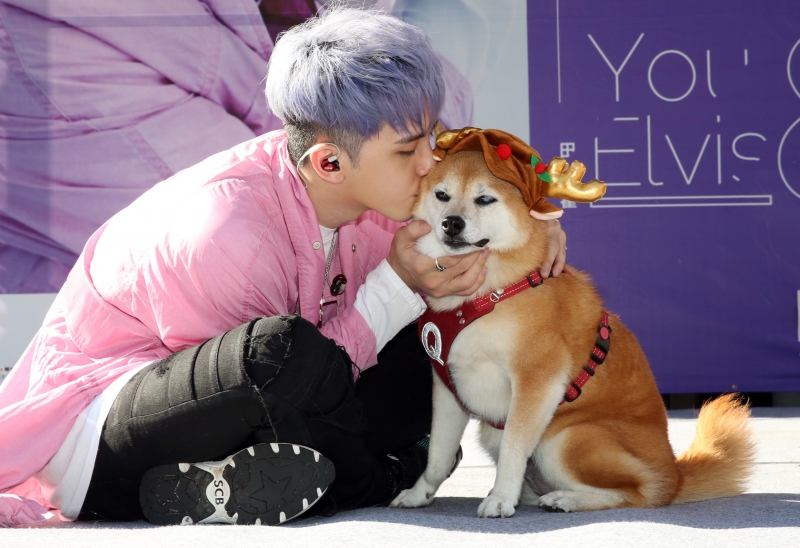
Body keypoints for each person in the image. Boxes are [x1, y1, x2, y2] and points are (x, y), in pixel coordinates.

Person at [0, 5, 567, 526]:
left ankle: (238, 490)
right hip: (108, 440)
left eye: (432, 138)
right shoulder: (227, 231)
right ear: (329, 162)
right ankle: (378, 478)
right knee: (278, 350)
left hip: (255, 433)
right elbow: (289, 384)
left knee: (435, 344)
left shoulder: (378, 195)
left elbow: (473, 250)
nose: (429, 163)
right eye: (407, 150)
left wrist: (532, 222)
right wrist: (395, 286)